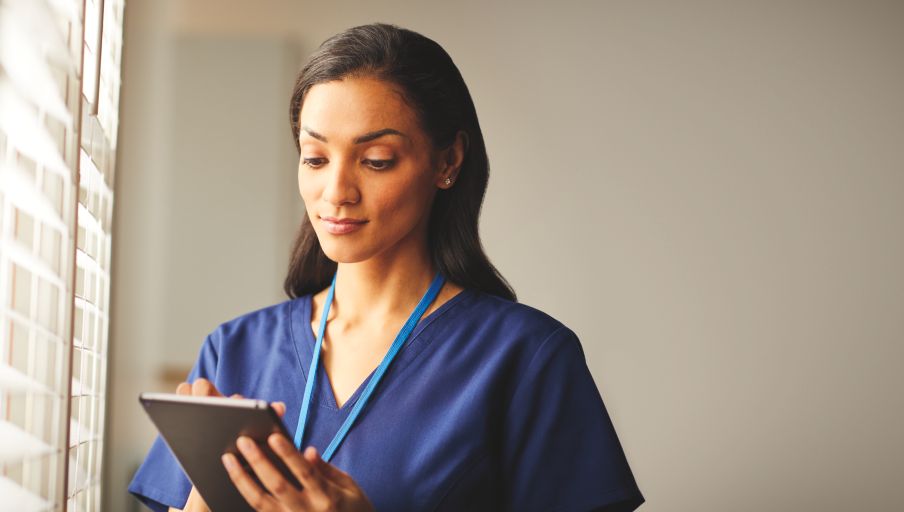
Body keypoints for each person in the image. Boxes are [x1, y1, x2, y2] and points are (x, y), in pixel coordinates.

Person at [128, 23, 644, 512]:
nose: (336, 192)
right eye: (314, 158)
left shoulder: (526, 358)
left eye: (375, 160)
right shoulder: (233, 353)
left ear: (448, 162)